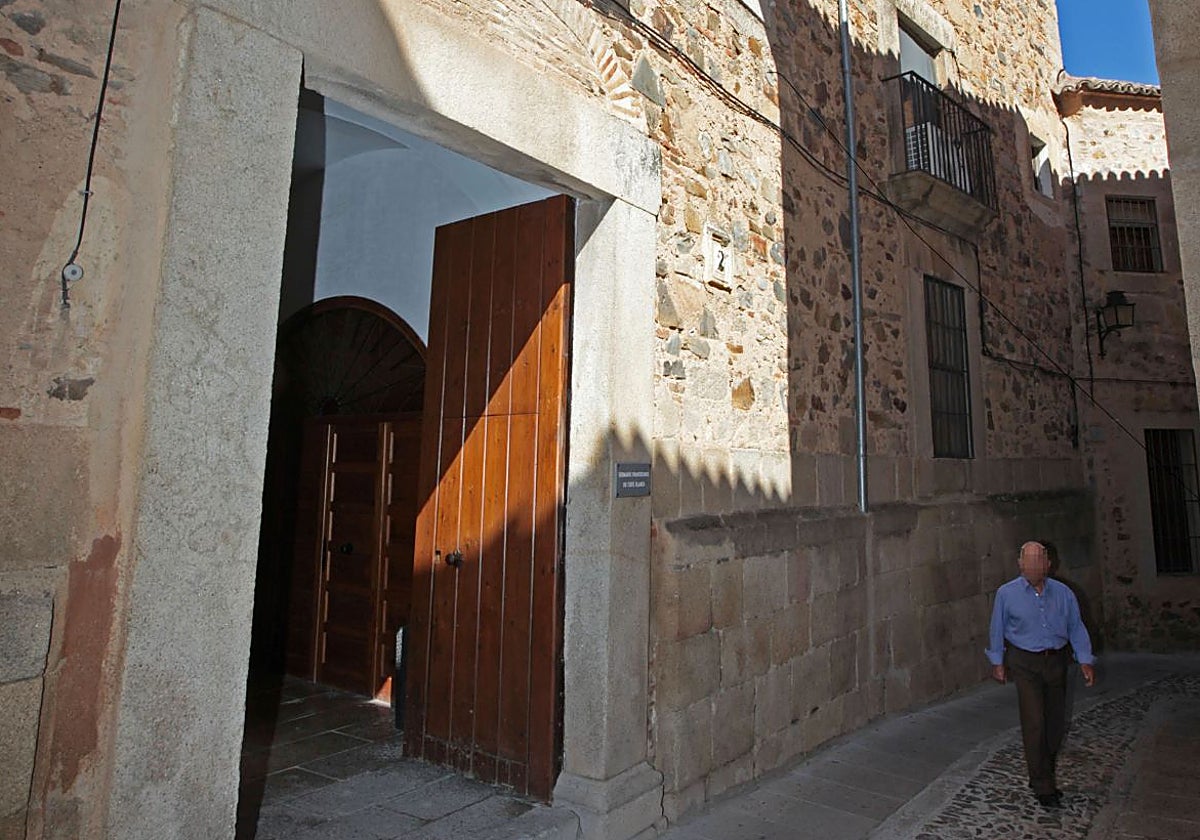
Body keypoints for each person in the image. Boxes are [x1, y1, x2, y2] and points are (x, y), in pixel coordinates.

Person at [985, 541, 1095, 807]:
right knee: (1034, 721)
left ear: (1048, 564)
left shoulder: (1064, 593)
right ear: (1020, 564)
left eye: (1039, 561)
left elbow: (1075, 627)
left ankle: (1041, 772)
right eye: (1028, 561)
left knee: (1055, 724)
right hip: (1023, 662)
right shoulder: (1006, 594)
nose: (1033, 566)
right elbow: (997, 627)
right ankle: (1044, 784)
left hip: (1056, 660)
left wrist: (1085, 660)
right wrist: (997, 660)